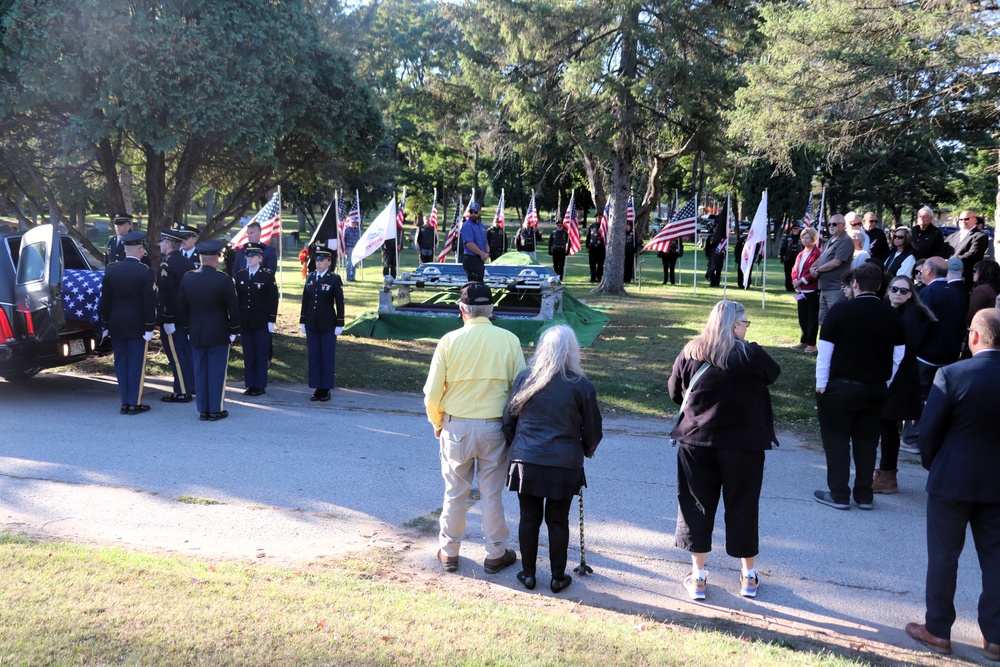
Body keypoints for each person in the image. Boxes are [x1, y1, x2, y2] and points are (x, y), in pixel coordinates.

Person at [905, 308, 1000, 660]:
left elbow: (927, 432)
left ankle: (938, 629)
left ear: (974, 337)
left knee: (944, 556)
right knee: (996, 558)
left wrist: (935, 464)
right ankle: (995, 637)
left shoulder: (952, 374)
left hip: (951, 479)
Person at [668, 300, 779, 600]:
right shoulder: (751, 355)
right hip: (744, 446)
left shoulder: (692, 351)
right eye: (745, 323)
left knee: (696, 504)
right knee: (743, 504)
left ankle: (699, 576)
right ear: (735, 324)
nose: (747, 328)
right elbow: (774, 373)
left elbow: (674, 392)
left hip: (696, 439)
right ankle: (748, 575)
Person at [423, 281, 526, 575]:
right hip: (495, 427)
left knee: (455, 492)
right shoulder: (508, 340)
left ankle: (449, 551)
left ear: (462, 310)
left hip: (456, 426)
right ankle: (495, 552)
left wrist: (437, 421)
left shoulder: (449, 341)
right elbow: (520, 388)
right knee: (492, 493)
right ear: (491, 309)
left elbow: (432, 394)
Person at [502, 325, 602, 593]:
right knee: (557, 520)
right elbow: (593, 431)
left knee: (529, 517)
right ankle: (558, 577)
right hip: (563, 464)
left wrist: (518, 447)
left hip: (527, 461)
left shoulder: (526, 379)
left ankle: (529, 574)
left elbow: (508, 422)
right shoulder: (581, 386)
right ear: (573, 352)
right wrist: (586, 450)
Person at [814, 262, 906, 510]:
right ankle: (864, 495)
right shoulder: (893, 315)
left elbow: (825, 354)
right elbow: (898, 356)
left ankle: (839, 493)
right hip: (875, 389)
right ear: (879, 287)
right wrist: (885, 382)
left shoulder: (839, 312)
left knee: (837, 442)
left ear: (855, 284)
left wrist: (821, 385)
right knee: (867, 442)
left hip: (840, 388)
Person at [873, 276, 935, 494]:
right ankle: (886, 474)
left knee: (888, 426)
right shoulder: (891, 311)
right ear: (888, 290)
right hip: (893, 376)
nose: (898, 293)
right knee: (887, 426)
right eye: (894, 289)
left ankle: (887, 476)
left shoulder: (909, 315)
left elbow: (909, 346)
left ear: (910, 294)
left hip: (900, 379)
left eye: (903, 290)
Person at [177, 240, 240, 422]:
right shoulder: (223, 279)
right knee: (216, 371)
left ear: (200, 258)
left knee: (200, 370)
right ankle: (215, 409)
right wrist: (234, 329)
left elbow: (182, 307)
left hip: (196, 331)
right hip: (219, 332)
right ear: (216, 260)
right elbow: (233, 308)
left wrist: (188, 328)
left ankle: (203, 409)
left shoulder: (188, 278)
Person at [98, 231, 156, 415]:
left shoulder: (112, 269)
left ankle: (125, 402)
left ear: (124, 249)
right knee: (136, 363)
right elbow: (149, 302)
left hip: (116, 323)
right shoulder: (145, 271)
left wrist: (106, 323)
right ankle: (135, 403)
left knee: (121, 362)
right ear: (140, 250)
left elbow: (105, 300)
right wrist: (149, 326)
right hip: (137, 324)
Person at [156, 227, 196, 403]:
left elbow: (167, 294)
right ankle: (190, 386)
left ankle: (182, 391)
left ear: (168, 244)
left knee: (177, 355)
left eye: (162, 242)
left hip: (173, 318)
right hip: (186, 317)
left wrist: (168, 318)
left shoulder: (167, 264)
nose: (160, 245)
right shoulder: (187, 262)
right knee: (185, 352)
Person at [300, 246, 344, 402]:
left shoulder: (334, 279)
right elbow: (306, 300)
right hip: (312, 322)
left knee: (326, 356)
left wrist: (340, 322)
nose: (319, 263)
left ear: (329, 262)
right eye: (317, 260)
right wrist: (303, 320)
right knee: (314, 355)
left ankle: (325, 388)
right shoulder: (311, 278)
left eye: (322, 260)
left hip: (328, 324)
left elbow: (339, 302)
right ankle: (316, 387)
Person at [235, 242, 279, 397]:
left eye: (253, 256)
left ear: (260, 258)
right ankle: (250, 383)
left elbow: (273, 299)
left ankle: (260, 384)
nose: (249, 258)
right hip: (246, 321)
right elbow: (239, 299)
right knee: (248, 353)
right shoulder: (241, 275)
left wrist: (271, 320)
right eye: (247, 255)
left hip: (261, 320)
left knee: (261, 353)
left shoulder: (266, 276)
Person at [809, 214, 854, 325]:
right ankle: (825, 342)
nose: (831, 226)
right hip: (824, 287)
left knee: (835, 321)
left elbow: (836, 262)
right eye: (829, 224)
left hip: (836, 288)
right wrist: (811, 268)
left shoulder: (845, 241)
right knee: (823, 321)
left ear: (843, 225)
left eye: (834, 224)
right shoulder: (831, 240)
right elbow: (821, 258)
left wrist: (818, 270)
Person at [790, 226, 822, 353]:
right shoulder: (800, 253)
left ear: (813, 238)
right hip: (800, 291)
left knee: (812, 317)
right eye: (803, 237)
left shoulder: (817, 253)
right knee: (802, 316)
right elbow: (795, 269)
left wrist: (802, 280)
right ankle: (804, 341)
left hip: (812, 290)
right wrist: (795, 281)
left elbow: (815, 271)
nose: (804, 240)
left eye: (807, 237)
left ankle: (812, 343)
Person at [947, 209, 988, 292]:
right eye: (961, 219)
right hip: (947, 275)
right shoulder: (952, 236)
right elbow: (944, 250)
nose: (963, 221)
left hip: (965, 276)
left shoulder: (980, 236)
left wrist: (951, 261)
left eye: (966, 219)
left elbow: (973, 254)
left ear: (975, 220)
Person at [460, 202, 489, 281]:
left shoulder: (481, 226)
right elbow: (469, 244)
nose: (473, 214)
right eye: (471, 212)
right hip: (471, 259)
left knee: (480, 282)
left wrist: (487, 253)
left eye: (475, 212)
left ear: (480, 212)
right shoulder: (467, 225)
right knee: (474, 284)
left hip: (480, 259)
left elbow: (485, 242)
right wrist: (482, 254)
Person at [968, 259, 1000, 326]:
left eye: (975, 271)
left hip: (981, 326)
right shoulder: (993, 287)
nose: (973, 273)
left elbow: (972, 313)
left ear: (982, 273)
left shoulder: (981, 290)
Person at [779, 223, 803, 291]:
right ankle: (788, 287)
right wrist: (782, 257)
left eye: (797, 228)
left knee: (797, 274)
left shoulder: (801, 238)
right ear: (792, 229)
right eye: (794, 228)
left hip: (798, 259)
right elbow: (783, 248)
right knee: (788, 273)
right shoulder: (787, 238)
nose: (795, 230)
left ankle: (796, 286)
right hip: (788, 258)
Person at [342, 216, 360, 281]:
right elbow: (344, 240)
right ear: (350, 222)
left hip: (356, 248)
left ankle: (353, 277)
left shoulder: (358, 230)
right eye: (352, 222)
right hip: (349, 248)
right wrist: (345, 249)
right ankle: (348, 278)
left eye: (354, 222)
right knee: (349, 264)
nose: (353, 223)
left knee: (354, 263)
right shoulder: (346, 230)